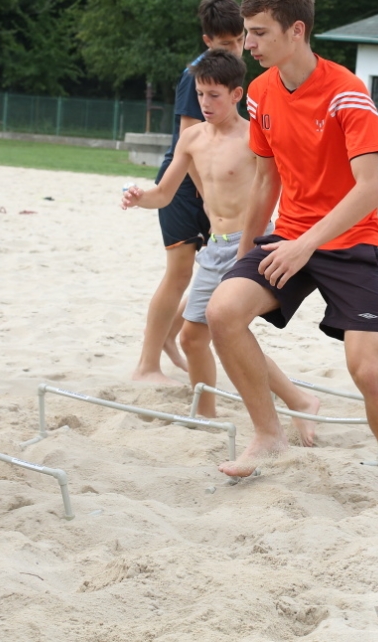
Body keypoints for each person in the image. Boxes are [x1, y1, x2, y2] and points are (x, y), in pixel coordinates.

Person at [205, 0, 378, 509]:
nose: (247, 43)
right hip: (289, 238)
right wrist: (247, 251)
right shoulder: (259, 92)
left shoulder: (347, 92)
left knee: (368, 371)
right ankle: (269, 433)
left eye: (258, 33)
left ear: (295, 31)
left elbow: (369, 189)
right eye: (247, 33)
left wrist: (306, 244)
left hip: (352, 242)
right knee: (222, 312)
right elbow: (265, 181)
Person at [121, 49, 320, 432]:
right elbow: (164, 194)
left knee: (231, 330)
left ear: (236, 94)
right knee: (193, 337)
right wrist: (139, 197)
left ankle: (298, 400)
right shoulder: (191, 138)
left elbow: (278, 187)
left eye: (214, 94)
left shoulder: (252, 137)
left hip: (251, 242)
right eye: (200, 94)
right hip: (215, 245)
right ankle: (207, 414)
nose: (205, 103)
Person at [131, 0, 245, 384]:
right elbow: (191, 143)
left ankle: (171, 338)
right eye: (223, 44)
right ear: (206, 40)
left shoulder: (234, 74)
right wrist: (208, 199)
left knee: (209, 274)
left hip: (211, 186)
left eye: (237, 41)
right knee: (179, 273)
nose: (233, 50)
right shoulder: (194, 75)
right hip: (185, 184)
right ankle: (147, 363)